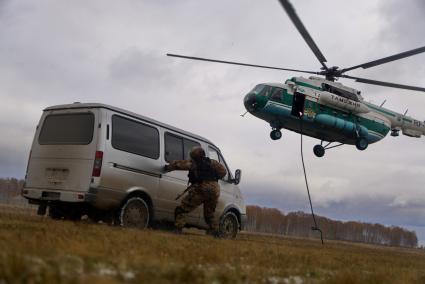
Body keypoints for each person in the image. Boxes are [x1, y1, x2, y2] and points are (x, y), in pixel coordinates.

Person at [164, 146, 227, 236]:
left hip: (202, 188)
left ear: (194, 155)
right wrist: (214, 177)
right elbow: (223, 172)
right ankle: (216, 233)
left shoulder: (193, 163)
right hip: (215, 189)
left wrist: (167, 168)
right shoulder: (213, 162)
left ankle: (178, 229)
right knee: (209, 215)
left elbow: (178, 164)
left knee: (181, 209)